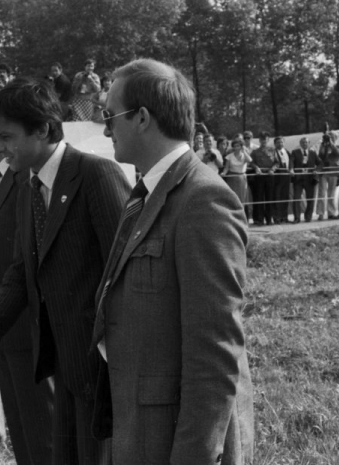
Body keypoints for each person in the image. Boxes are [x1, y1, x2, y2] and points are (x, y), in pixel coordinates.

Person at [0, 77, 131, 464]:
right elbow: (24, 270)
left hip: (100, 368)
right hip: (61, 365)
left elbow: (126, 273)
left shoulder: (95, 176)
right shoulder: (28, 185)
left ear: (42, 129)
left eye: (7, 137)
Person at [92, 58, 253, 463]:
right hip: (140, 428)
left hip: (176, 441)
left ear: (142, 118)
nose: (105, 128)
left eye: (110, 116)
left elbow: (215, 351)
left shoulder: (203, 199)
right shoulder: (147, 191)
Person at [0, 124, 55, 465]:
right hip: (3, 327)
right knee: (23, 435)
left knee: (43, 433)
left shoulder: (24, 178)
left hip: (23, 325)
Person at [290, 137, 321, 223]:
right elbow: (291, 162)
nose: (304, 144)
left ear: (309, 143)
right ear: (300, 143)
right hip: (298, 178)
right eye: (303, 142)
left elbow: (320, 163)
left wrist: (316, 170)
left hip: (309, 178)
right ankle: (297, 217)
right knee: (296, 198)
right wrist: (291, 169)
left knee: (310, 198)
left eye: (306, 142)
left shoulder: (313, 153)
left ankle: (308, 216)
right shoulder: (295, 152)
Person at [249, 132, 277, 225]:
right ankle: (260, 219)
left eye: (265, 139)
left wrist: (273, 169)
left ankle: (269, 219)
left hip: (269, 176)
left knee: (270, 197)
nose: (263, 141)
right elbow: (251, 162)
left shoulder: (273, 150)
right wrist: (256, 168)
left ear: (268, 140)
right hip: (259, 176)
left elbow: (277, 162)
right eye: (262, 139)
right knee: (259, 198)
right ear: (259, 140)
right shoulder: (255, 152)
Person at [316, 130, 339, 220]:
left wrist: (330, 143)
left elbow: (337, 153)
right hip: (324, 171)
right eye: (330, 136)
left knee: (331, 194)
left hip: (333, 171)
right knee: (321, 193)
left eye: (333, 137)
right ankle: (320, 213)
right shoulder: (323, 146)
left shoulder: (338, 146)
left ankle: (331, 213)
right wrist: (323, 144)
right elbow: (320, 155)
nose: (331, 138)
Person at [221, 137, 252, 208]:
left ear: (241, 146)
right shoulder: (229, 156)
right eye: (234, 146)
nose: (236, 147)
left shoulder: (244, 155)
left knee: (242, 197)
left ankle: (241, 213)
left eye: (238, 146)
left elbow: (249, 160)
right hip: (232, 178)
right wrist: (223, 173)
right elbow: (226, 168)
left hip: (242, 178)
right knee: (232, 197)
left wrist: (244, 151)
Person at [272, 135, 291, 223]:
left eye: (281, 142)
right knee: (277, 197)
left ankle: (284, 216)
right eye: (278, 142)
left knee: (285, 196)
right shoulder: (273, 152)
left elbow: (291, 162)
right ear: (275, 144)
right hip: (277, 177)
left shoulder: (286, 151)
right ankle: (277, 217)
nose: (280, 144)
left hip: (286, 176)